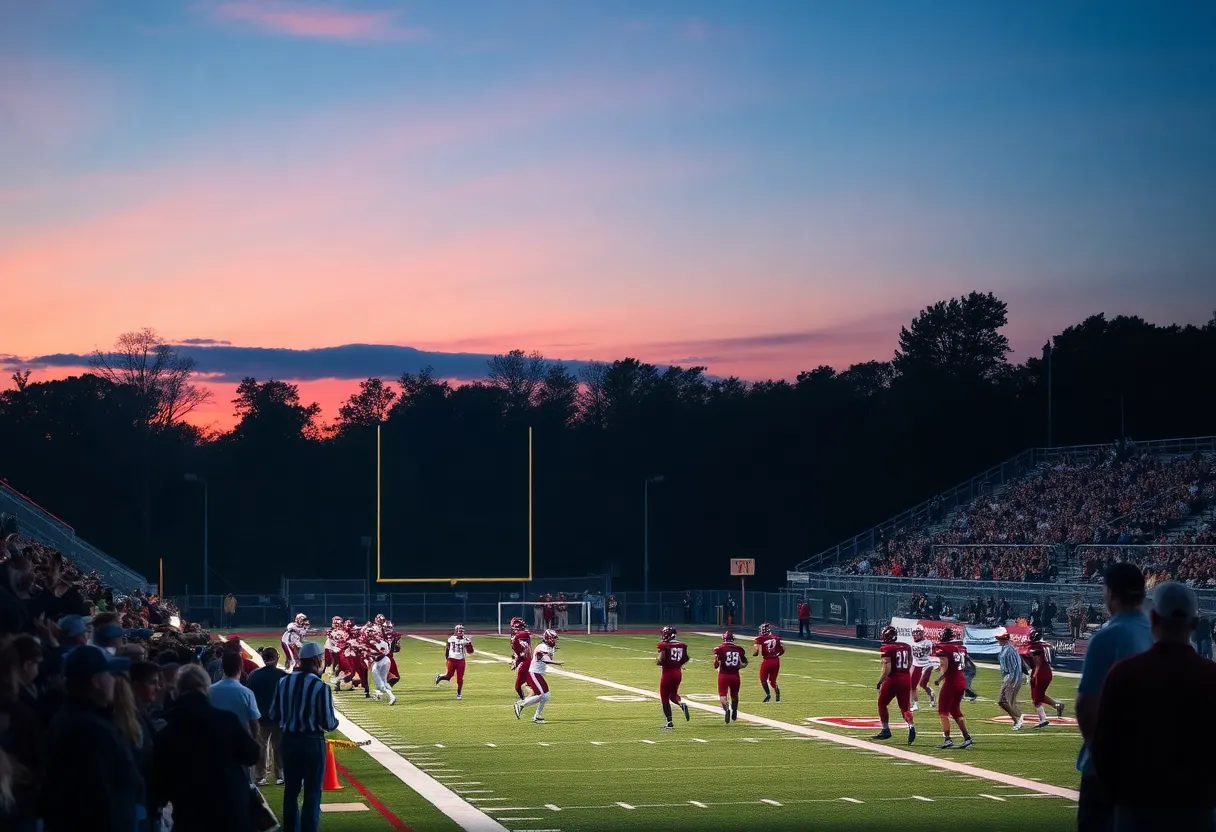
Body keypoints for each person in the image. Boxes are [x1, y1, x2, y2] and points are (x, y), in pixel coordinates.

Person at [1090, 581, 1216, 831]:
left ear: (1153, 618)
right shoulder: (1211, 676)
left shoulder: (1125, 673)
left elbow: (1103, 746)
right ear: (1194, 623)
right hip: (1197, 808)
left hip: (1138, 807)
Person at [1075, 562, 1152, 832]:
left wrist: (1100, 751)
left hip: (1107, 765)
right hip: (1152, 762)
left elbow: (1086, 707)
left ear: (1110, 593)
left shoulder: (1107, 637)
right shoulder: (1159, 634)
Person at [42, 646, 141, 832]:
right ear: (96, 681)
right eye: (110, 675)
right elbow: (98, 802)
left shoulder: (70, 717)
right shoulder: (92, 730)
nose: (115, 681)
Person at [151, 664, 260, 832]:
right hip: (232, 809)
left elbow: (159, 783)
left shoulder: (166, 726)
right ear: (205, 688)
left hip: (190, 813)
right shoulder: (226, 720)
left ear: (177, 690)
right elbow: (252, 755)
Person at [269, 641, 338, 832]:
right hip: (312, 742)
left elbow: (274, 714)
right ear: (317, 660)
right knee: (312, 793)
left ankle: (291, 829)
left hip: (289, 741)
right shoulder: (320, 686)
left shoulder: (283, 682)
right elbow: (328, 723)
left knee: (290, 792)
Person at [247, 647, 288, 786]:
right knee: (279, 747)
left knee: (261, 747)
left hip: (260, 717)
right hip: (279, 717)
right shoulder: (283, 675)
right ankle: (280, 774)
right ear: (276, 658)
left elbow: (250, 697)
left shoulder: (254, 675)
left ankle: (261, 776)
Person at [871, 625, 915, 744]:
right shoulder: (907, 646)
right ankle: (911, 725)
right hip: (906, 677)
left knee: (882, 703)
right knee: (905, 708)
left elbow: (887, 669)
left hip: (893, 678)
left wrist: (880, 681)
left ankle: (885, 730)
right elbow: (910, 662)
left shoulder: (887, 648)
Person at [931, 626, 973, 749]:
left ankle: (947, 739)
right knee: (955, 710)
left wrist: (939, 678)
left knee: (943, 711)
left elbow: (946, 665)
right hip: (961, 680)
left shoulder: (943, 647)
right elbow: (962, 663)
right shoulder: (961, 647)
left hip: (951, 681)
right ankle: (967, 737)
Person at [514, 628, 561, 723]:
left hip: (538, 673)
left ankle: (537, 716)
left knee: (546, 696)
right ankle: (521, 704)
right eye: (553, 638)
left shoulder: (548, 647)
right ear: (547, 638)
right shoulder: (542, 647)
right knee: (542, 695)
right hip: (534, 673)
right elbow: (543, 658)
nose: (554, 640)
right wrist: (555, 662)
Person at [210, 651, 261, 736]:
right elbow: (254, 723)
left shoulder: (209, 690)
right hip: (240, 742)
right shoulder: (247, 693)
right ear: (241, 667)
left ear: (222, 667)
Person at [1025, 629, 1064, 728]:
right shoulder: (1039, 645)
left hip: (1041, 672)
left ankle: (1043, 719)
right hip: (1042, 671)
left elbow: (1038, 663)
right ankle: (1057, 705)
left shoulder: (1037, 647)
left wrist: (1034, 675)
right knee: (1038, 695)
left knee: (1036, 698)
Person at [656, 625, 690, 729]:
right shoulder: (682, 645)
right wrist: (678, 664)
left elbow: (662, 659)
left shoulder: (664, 645)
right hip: (678, 673)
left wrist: (659, 662)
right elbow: (686, 658)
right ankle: (681, 703)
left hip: (667, 673)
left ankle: (669, 722)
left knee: (664, 697)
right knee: (673, 695)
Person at [712, 631, 747, 723]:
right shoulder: (739, 649)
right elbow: (745, 663)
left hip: (724, 675)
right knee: (734, 695)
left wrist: (716, 662)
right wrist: (739, 666)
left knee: (723, 696)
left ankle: (727, 709)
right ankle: (734, 711)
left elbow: (715, 665)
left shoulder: (719, 649)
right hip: (735, 675)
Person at [995, 629, 1026, 730]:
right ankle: (1017, 721)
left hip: (1012, 678)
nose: (998, 641)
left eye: (999, 639)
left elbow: (1014, 667)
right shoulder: (1006, 648)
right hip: (1009, 678)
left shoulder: (1009, 650)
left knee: (1002, 701)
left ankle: (1020, 717)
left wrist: (1011, 681)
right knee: (1008, 702)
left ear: (1003, 639)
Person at [435, 624, 473, 699]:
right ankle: (440, 677)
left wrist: (469, 645)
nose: (461, 632)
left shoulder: (466, 639)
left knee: (460, 679)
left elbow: (470, 652)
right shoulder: (451, 639)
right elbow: (447, 649)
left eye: (462, 631)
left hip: (461, 661)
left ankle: (459, 693)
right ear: (456, 631)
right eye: (460, 631)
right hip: (451, 660)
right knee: (449, 676)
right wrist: (446, 659)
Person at [752, 622, 784, 702]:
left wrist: (756, 652)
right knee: (772, 680)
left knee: (763, 679)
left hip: (767, 660)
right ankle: (777, 695)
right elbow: (782, 650)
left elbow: (756, 649)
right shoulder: (776, 638)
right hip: (776, 660)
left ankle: (768, 694)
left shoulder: (760, 638)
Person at [909, 625, 936, 712]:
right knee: (912, 686)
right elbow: (911, 657)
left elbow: (930, 653)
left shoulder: (928, 643)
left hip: (926, 665)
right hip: (915, 665)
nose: (915, 635)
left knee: (922, 684)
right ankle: (915, 704)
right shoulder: (912, 643)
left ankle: (931, 694)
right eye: (914, 633)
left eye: (917, 633)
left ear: (921, 633)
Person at [508, 617, 536, 700]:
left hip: (524, 660)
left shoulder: (522, 634)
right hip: (523, 658)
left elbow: (526, 635)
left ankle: (527, 698)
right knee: (526, 681)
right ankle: (530, 695)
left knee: (521, 684)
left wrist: (515, 661)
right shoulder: (517, 635)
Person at [369, 627, 396, 705]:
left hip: (379, 663)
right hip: (386, 661)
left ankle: (392, 697)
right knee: (382, 680)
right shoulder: (384, 642)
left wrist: (370, 655)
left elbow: (378, 656)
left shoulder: (372, 643)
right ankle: (377, 695)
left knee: (380, 682)